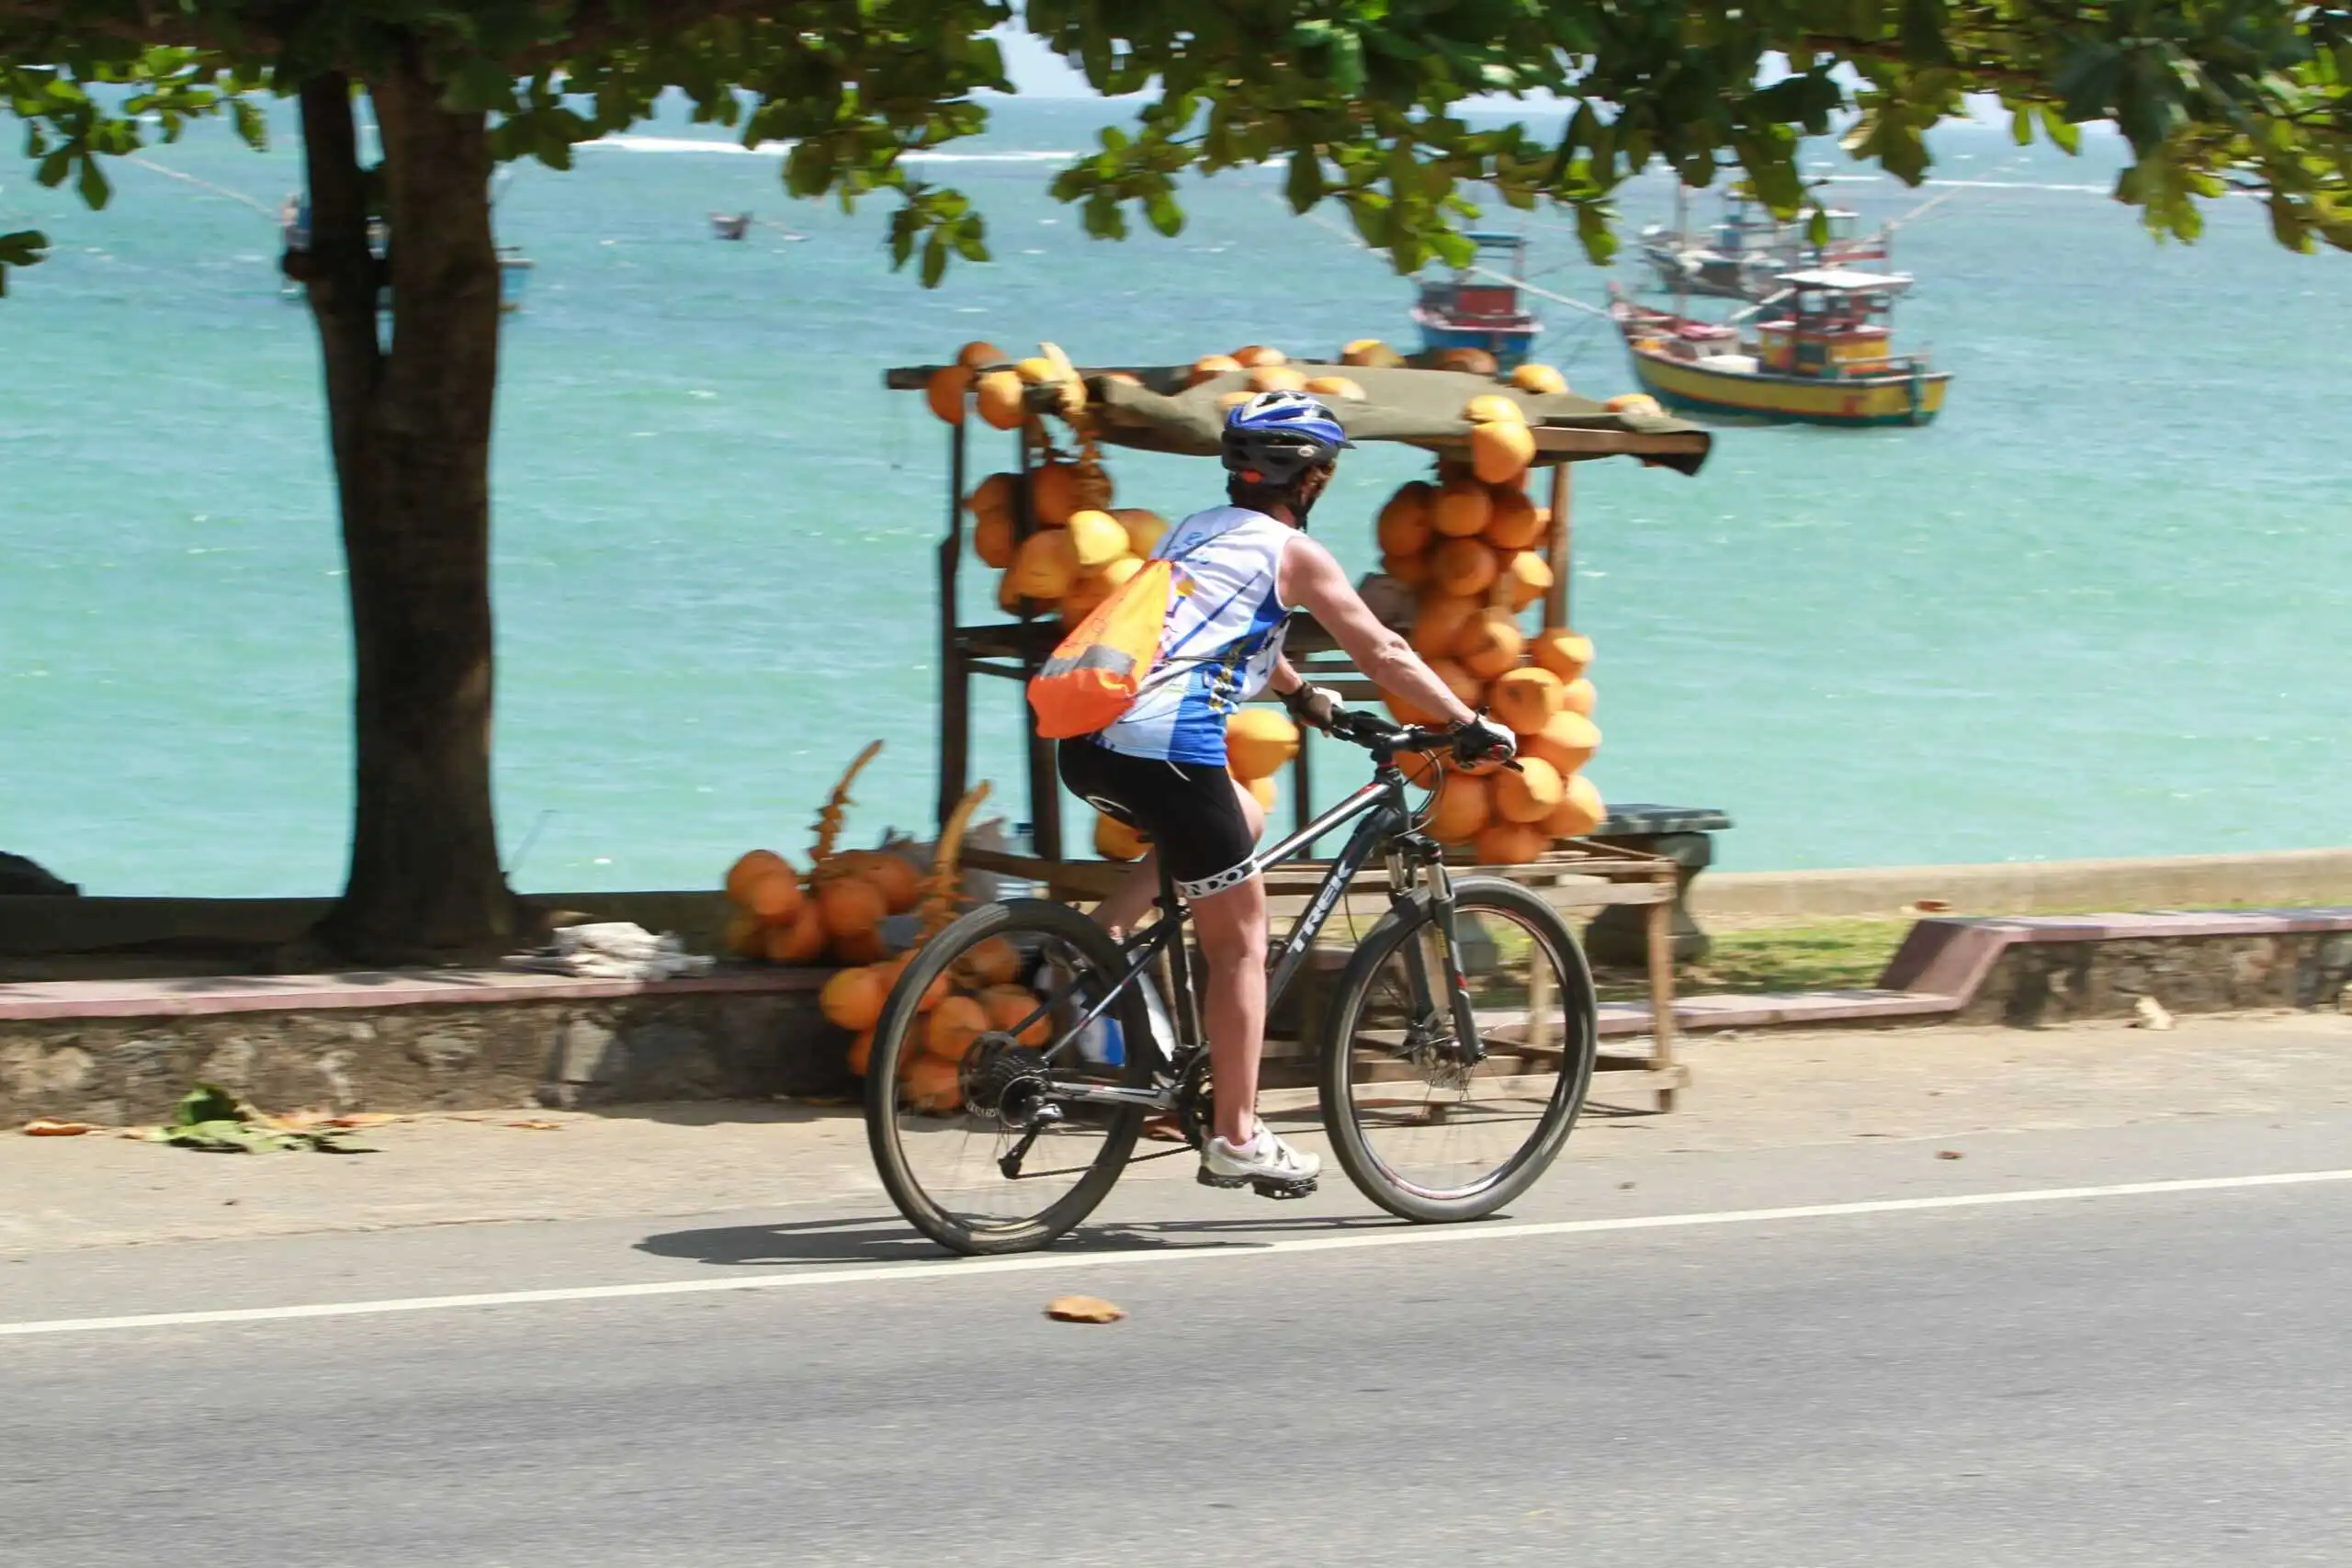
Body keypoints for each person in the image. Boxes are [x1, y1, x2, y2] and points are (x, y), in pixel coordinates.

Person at [1057, 391, 1517, 1196]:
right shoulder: (1294, 553)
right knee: (1240, 944)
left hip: (1089, 740)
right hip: (1167, 749)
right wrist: (1466, 720)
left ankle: (1098, 941)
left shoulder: (1194, 531)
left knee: (1244, 814)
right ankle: (1236, 1136)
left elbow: (1218, 632)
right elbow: (1382, 650)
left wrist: (1304, 696)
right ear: (1310, 480)